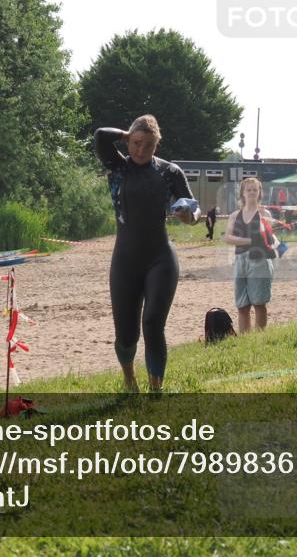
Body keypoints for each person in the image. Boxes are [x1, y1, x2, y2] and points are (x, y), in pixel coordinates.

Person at [94, 116, 198, 392]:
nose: (140, 151)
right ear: (129, 140)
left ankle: (156, 389)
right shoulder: (117, 166)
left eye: (148, 146)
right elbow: (100, 136)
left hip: (160, 258)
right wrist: (126, 134)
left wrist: (189, 216)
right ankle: (129, 377)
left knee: (152, 322)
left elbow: (193, 208)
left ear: (157, 145)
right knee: (126, 335)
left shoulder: (169, 171)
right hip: (125, 261)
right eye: (136, 144)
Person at [225, 178, 275, 333]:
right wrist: (249, 240)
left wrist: (245, 240)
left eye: (255, 190)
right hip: (240, 261)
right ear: (243, 193)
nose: (252, 192)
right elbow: (228, 238)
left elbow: (268, 237)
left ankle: (259, 337)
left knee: (259, 303)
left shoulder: (264, 213)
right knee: (242, 305)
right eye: (249, 190)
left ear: (260, 193)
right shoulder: (234, 215)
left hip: (259, 260)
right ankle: (245, 339)